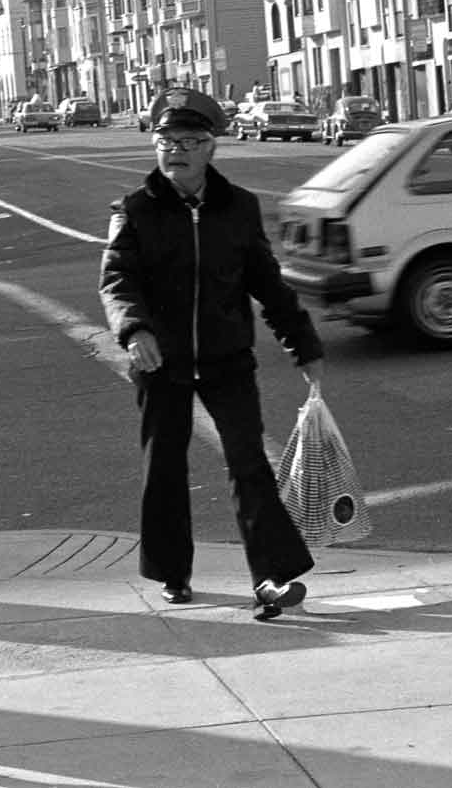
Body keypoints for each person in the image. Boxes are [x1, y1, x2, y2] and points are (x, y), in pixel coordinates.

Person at [99, 87, 324, 621]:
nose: (174, 150)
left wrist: (303, 344)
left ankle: (271, 576)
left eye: (188, 141)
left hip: (227, 359)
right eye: (165, 140)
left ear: (211, 148)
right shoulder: (132, 210)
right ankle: (173, 572)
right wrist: (134, 331)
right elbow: (117, 282)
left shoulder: (239, 209)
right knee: (165, 468)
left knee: (250, 465)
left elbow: (268, 284)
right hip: (162, 363)